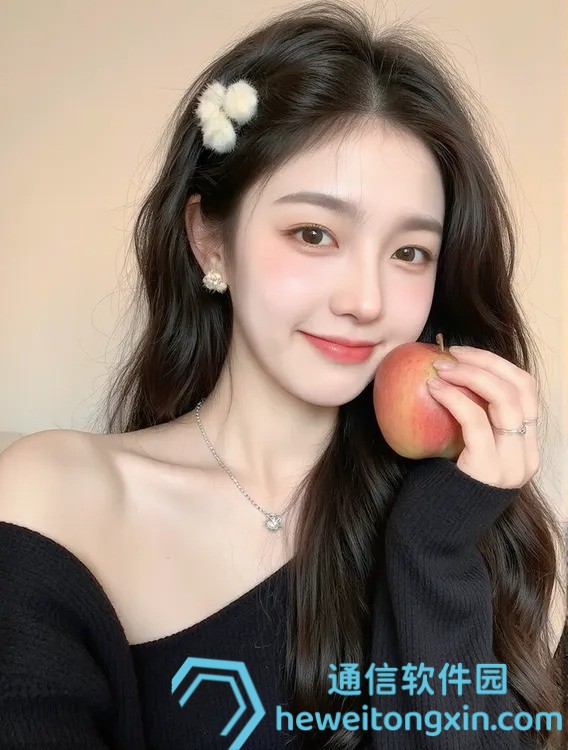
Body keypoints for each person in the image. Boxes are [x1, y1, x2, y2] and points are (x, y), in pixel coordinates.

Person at [0, 1, 565, 748]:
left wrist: (434, 549)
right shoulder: (56, 498)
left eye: (409, 253)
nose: (366, 300)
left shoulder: (469, 521)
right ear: (211, 241)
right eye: (314, 233)